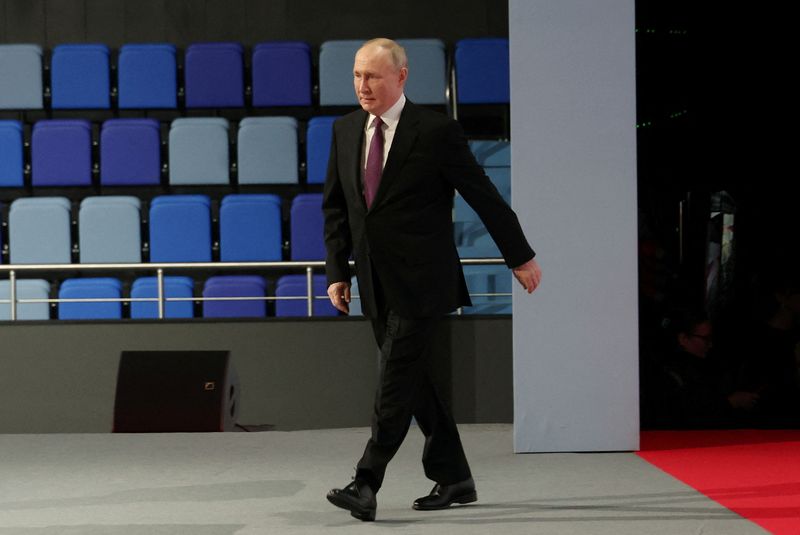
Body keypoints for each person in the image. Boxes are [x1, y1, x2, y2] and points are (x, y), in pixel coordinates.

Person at [322, 38, 541, 522]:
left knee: (394, 382)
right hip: (374, 283)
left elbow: (483, 196)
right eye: (358, 75)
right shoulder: (343, 130)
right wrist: (338, 271)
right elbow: (338, 209)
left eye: (373, 76)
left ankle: (366, 481)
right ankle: (455, 476)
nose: (363, 86)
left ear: (401, 77)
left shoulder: (436, 131)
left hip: (423, 283)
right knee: (414, 381)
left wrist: (519, 256)